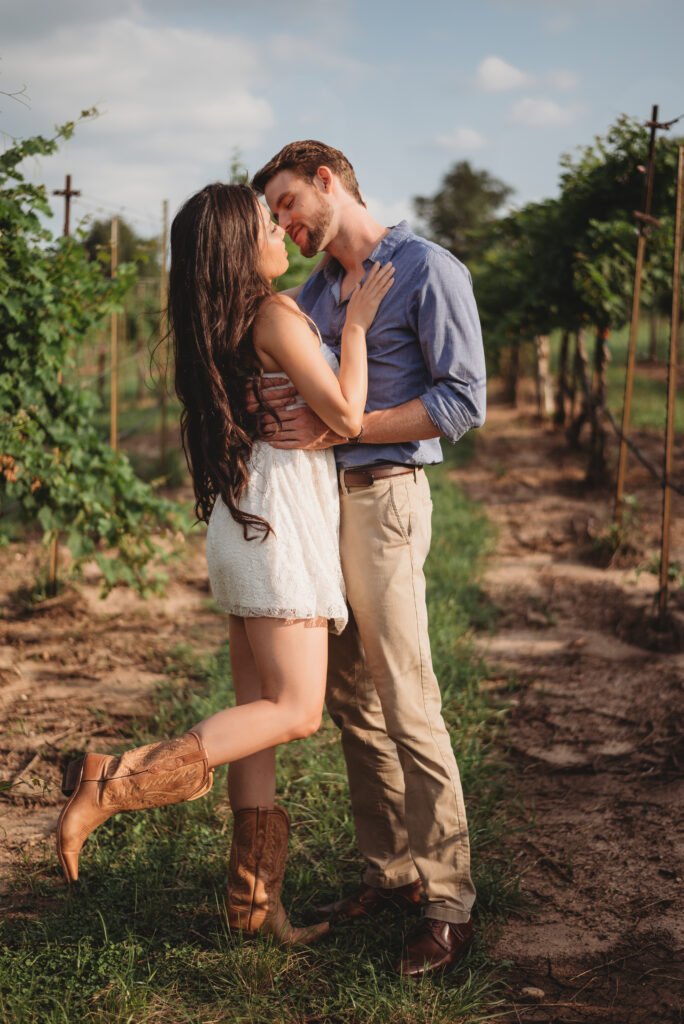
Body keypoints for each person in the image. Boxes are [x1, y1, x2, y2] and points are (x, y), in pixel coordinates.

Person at [55, 182, 394, 945]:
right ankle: (115, 781)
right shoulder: (273, 313)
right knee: (296, 710)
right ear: (240, 248)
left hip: (243, 517)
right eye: (266, 224)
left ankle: (253, 907)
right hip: (279, 521)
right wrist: (360, 327)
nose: (280, 231)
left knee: (260, 727)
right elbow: (343, 416)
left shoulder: (223, 322)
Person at [250, 141, 486, 977]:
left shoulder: (427, 269)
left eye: (286, 203)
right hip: (321, 508)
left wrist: (353, 425)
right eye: (273, 216)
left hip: (383, 498)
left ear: (326, 181)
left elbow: (463, 401)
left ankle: (449, 898)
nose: (284, 222)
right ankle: (389, 874)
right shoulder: (314, 292)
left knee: (407, 695)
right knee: (352, 698)